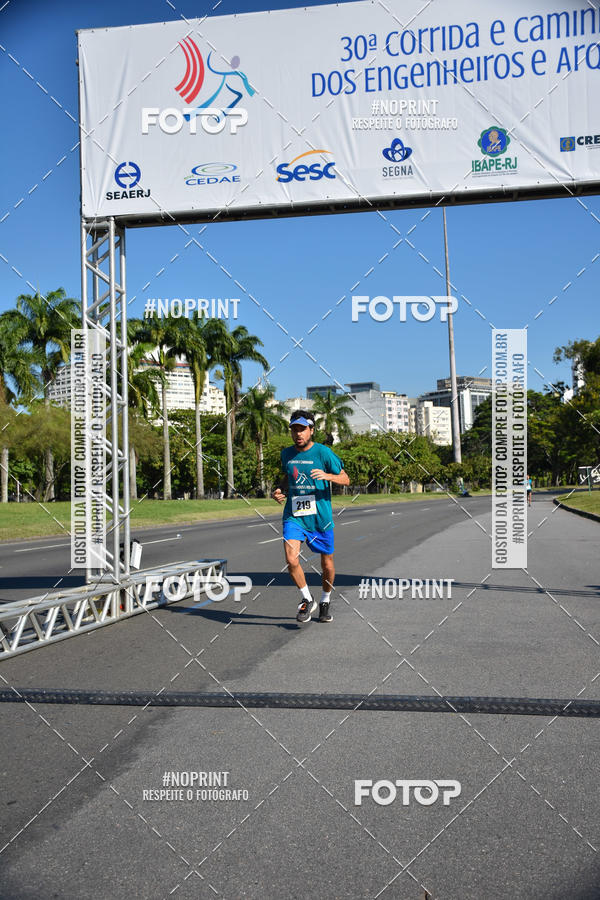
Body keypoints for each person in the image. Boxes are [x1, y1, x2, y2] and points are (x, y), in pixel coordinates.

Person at [272, 410, 349, 625]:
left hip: (320, 519)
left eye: (302, 429)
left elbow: (346, 478)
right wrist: (280, 490)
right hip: (294, 516)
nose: (298, 434)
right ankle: (307, 598)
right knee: (291, 558)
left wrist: (329, 476)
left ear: (311, 430)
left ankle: (325, 600)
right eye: (294, 429)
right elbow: (288, 477)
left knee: (327, 564)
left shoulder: (323, 453)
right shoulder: (286, 454)